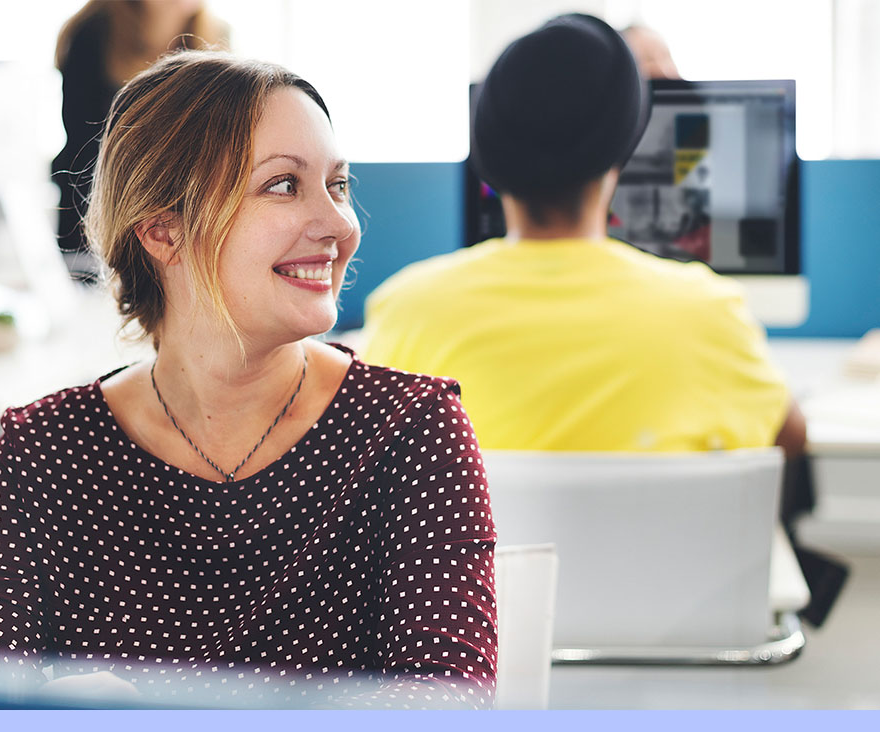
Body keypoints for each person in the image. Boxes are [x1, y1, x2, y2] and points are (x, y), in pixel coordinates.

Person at [0, 51, 497, 708]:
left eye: (338, 184)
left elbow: (447, 701)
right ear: (162, 231)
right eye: (284, 184)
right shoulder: (47, 452)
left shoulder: (409, 428)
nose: (338, 225)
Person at [362, 13, 846, 625]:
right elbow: (788, 439)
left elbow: (370, 473)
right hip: (673, 647)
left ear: (489, 157)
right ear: (624, 148)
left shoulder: (409, 309)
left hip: (476, 649)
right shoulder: (706, 311)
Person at [52, 0, 229, 267]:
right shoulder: (92, 32)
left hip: (181, 223)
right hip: (96, 214)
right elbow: (84, 146)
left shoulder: (215, 37)